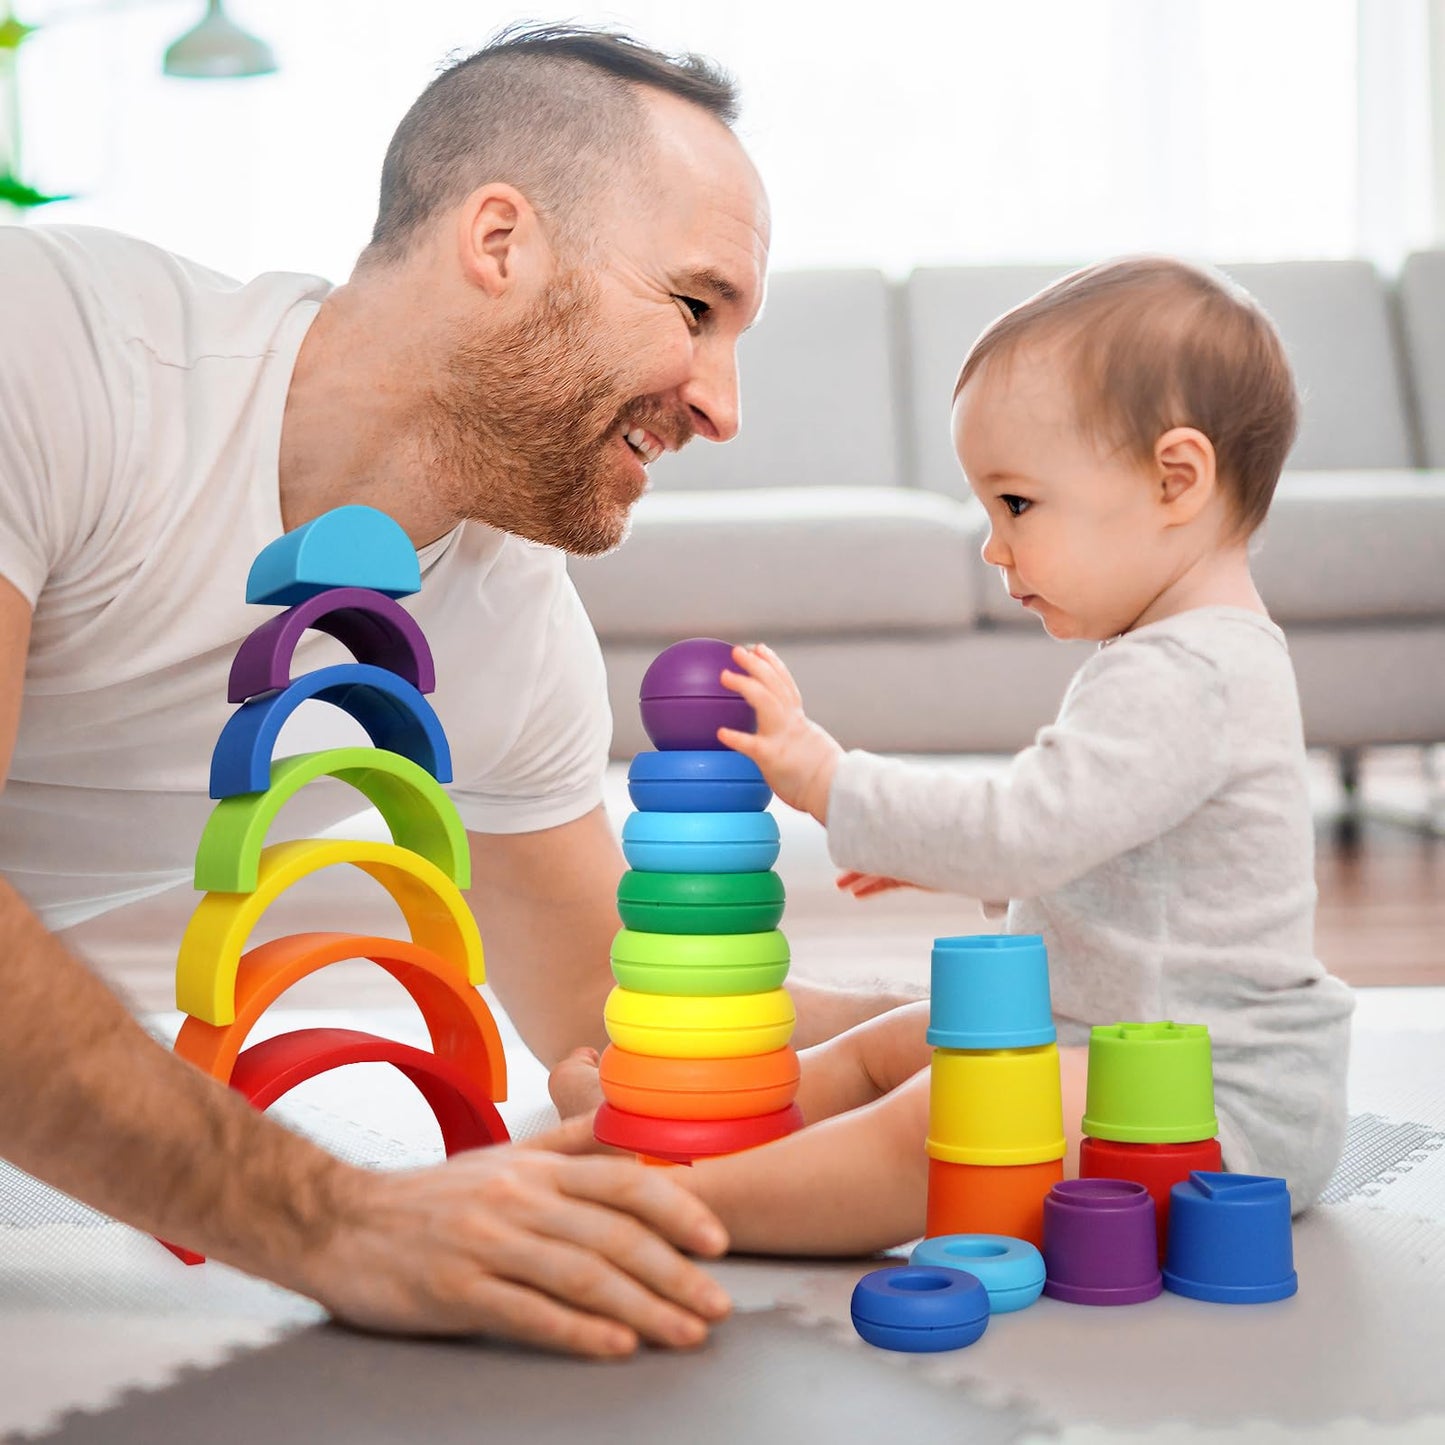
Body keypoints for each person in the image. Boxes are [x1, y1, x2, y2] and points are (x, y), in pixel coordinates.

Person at [0, 25, 906, 1356]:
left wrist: (959, 1026)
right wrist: (332, 1219)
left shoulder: (506, 618)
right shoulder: (55, 347)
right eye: (696, 308)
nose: (722, 406)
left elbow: (618, 1009)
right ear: (500, 244)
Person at [548, 256, 1357, 1254]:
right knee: (895, 1045)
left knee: (940, 1120)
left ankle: (680, 1196)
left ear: (1173, 479)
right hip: (1102, 1048)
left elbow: (1025, 831)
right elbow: (1109, 863)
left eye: (1015, 504)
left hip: (1206, 1106)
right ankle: (687, 1124)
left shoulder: (1188, 672)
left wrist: (826, 776)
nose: (990, 545)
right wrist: (944, 855)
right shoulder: (1178, 656)